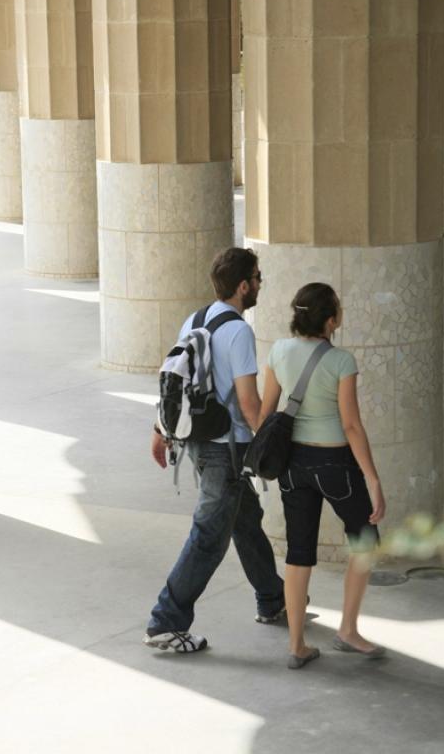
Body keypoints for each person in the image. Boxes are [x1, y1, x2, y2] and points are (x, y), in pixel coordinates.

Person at [143, 247, 285, 653]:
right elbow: (249, 404)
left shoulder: (195, 318)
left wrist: (160, 428)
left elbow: (177, 381)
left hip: (199, 443)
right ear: (243, 286)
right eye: (257, 277)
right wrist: (275, 447)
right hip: (228, 450)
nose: (260, 284)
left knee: (245, 519)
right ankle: (165, 622)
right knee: (208, 537)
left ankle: (272, 599)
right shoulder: (239, 331)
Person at [259, 282, 386, 669]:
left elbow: (266, 415)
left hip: (293, 466)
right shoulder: (341, 361)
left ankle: (297, 644)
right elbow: (351, 426)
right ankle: (347, 629)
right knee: (364, 539)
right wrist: (373, 480)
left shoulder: (279, 351)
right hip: (335, 465)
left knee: (299, 554)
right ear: (331, 321)